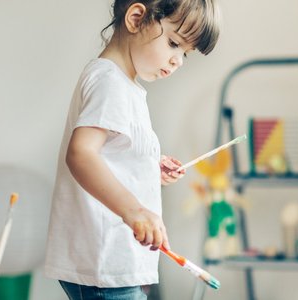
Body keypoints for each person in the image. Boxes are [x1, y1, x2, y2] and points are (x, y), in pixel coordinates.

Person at [45, 0, 221, 299]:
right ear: (137, 18)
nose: (177, 60)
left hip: (112, 260)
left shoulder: (122, 85)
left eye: (185, 54)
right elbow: (81, 155)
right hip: (107, 261)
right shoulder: (110, 82)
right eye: (174, 43)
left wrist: (149, 166)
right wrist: (134, 210)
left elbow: (109, 155)